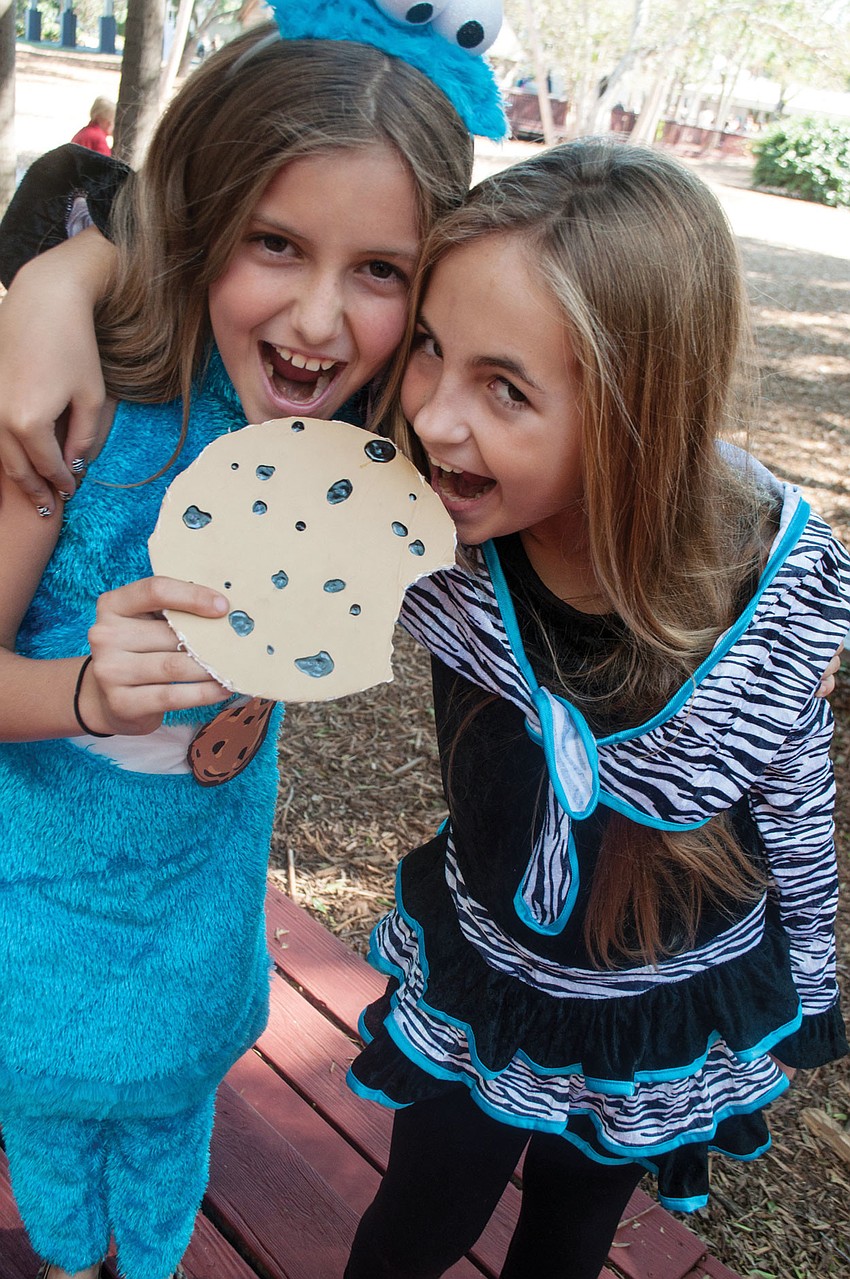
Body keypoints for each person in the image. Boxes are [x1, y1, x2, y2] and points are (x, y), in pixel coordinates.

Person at [0, 5, 504, 1276]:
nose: (322, 323)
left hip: (201, 926)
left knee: (173, 1123)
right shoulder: (75, 415)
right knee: (57, 1152)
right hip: (36, 929)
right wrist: (77, 691)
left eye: (381, 271)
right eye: (275, 243)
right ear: (204, 221)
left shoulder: (379, 451)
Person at [341, 140, 850, 1279]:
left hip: (654, 1005)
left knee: (569, 1235)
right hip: (487, 970)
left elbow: (796, 800)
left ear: (635, 411)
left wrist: (811, 980)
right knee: (418, 1214)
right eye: (431, 347)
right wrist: (62, 280)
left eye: (504, 387)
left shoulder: (753, 609)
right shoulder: (423, 530)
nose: (433, 417)